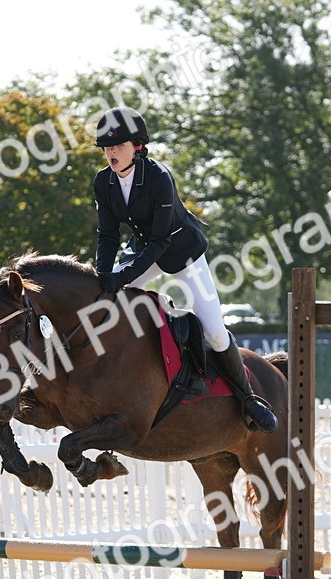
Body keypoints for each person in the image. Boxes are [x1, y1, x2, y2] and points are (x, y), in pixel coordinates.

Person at [91, 106, 277, 434]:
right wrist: (103, 276)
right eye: (107, 148)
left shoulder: (159, 178)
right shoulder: (103, 182)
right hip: (142, 250)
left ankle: (248, 398)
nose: (111, 154)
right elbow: (107, 236)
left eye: (117, 146)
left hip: (182, 253)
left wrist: (121, 277)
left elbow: (162, 242)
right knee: (105, 300)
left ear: (136, 146)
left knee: (216, 332)